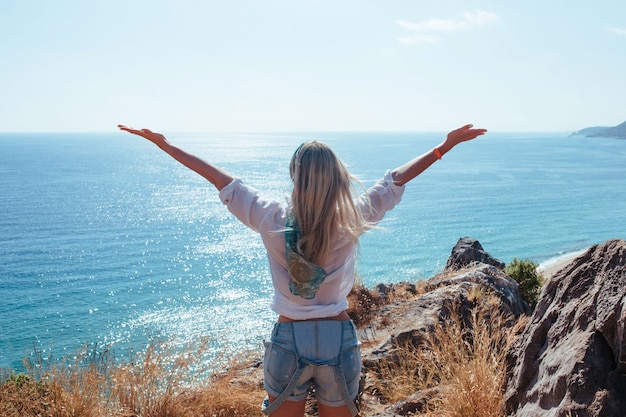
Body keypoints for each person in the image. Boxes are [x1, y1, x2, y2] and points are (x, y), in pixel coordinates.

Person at [117, 123, 487, 417]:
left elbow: (220, 178)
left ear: (295, 175)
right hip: (338, 337)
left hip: (287, 339)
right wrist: (445, 145)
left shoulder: (269, 215)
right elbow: (395, 180)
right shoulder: (352, 217)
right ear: (338, 177)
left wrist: (165, 145)